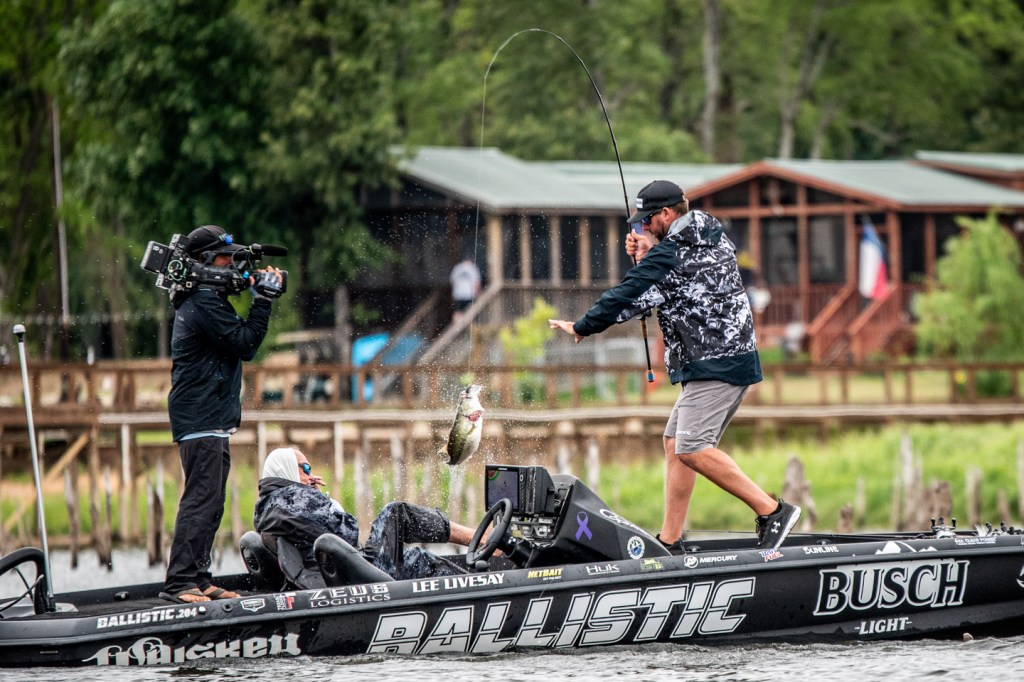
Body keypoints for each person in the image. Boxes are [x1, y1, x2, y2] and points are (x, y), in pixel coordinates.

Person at [549, 180, 800, 551]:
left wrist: (582, 326)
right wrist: (652, 250)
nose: (643, 227)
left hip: (716, 363)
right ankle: (670, 539)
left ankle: (773, 511)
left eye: (647, 220)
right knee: (674, 442)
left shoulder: (671, 256)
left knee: (692, 447)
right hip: (727, 357)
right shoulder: (710, 231)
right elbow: (677, 274)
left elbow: (628, 295)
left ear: (666, 214)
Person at [161, 225, 285, 604]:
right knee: (201, 499)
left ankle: (199, 579)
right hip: (200, 418)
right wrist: (262, 301)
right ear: (202, 261)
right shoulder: (202, 302)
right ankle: (180, 582)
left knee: (213, 501)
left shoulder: (208, 300)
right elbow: (245, 344)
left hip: (211, 418)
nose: (231, 264)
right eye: (224, 258)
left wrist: (255, 291)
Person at [253, 447, 478, 588]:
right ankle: (479, 539)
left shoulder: (271, 506)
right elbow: (348, 533)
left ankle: (470, 586)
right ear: (286, 470)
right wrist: (326, 501)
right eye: (305, 468)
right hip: (355, 583)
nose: (312, 475)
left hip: (337, 577)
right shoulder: (293, 499)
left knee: (415, 559)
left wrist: (315, 498)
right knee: (395, 513)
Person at [449, 255, 481, 321]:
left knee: (458, 312)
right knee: (469, 312)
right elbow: (477, 283)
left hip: (458, 295)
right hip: (469, 295)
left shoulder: (457, 268)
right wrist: (478, 293)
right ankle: (467, 326)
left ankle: (457, 325)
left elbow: (452, 282)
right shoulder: (473, 269)